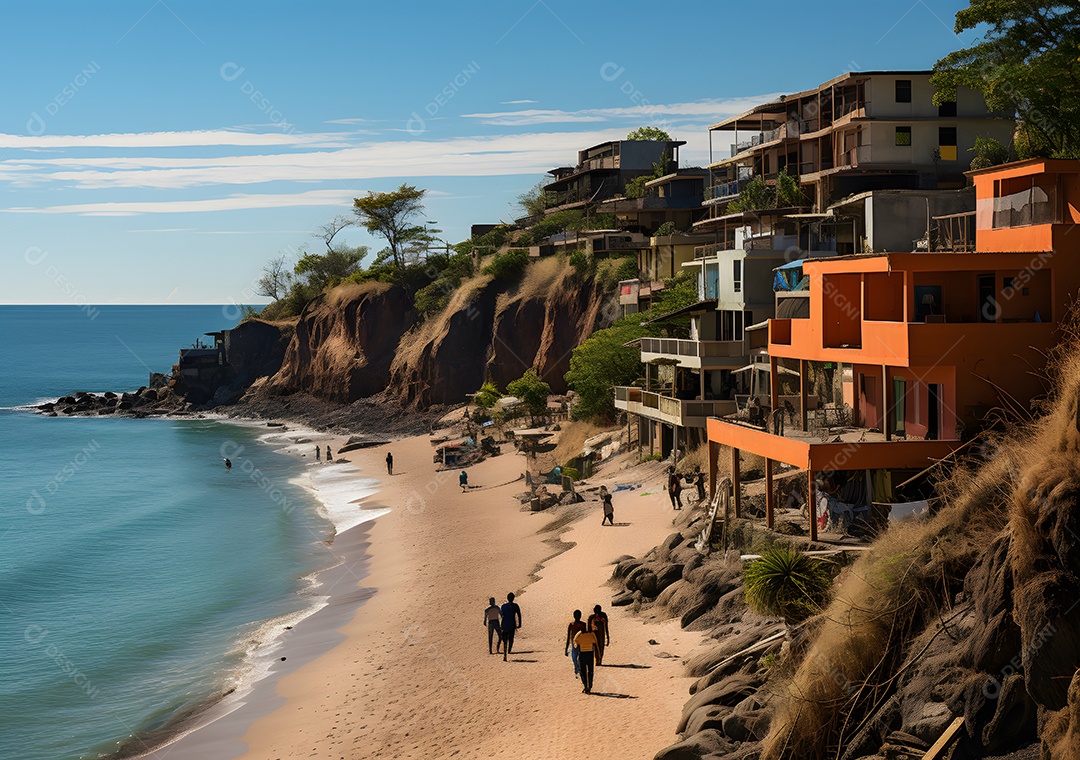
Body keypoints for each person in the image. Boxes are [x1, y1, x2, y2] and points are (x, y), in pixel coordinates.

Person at [573, 624, 599, 693]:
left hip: (582, 653)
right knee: (590, 671)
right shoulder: (591, 634)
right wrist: (598, 654)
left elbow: (575, 644)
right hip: (590, 653)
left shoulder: (579, 634)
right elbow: (595, 643)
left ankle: (585, 686)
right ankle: (589, 686)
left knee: (583, 671)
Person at [564, 609, 587, 676]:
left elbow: (585, 635)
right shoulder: (571, 625)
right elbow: (568, 636)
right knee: (574, 657)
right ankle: (577, 668)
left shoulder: (583, 624)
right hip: (574, 643)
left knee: (579, 657)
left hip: (581, 643)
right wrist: (566, 648)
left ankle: (579, 669)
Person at [500, 592, 522, 661]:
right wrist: (520, 624)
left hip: (504, 624)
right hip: (512, 624)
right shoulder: (515, 606)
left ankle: (505, 655)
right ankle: (509, 650)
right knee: (511, 639)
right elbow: (519, 615)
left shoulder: (503, 606)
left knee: (505, 640)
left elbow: (501, 615)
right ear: (513, 598)